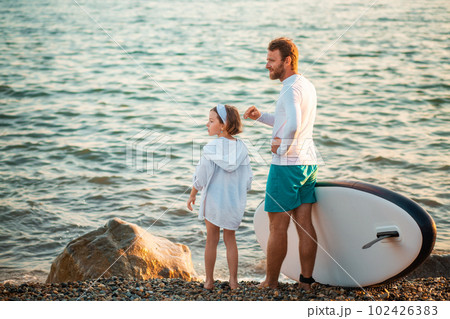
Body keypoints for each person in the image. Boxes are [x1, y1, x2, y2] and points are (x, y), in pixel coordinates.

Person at [244, 37, 319, 290]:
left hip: (287, 166)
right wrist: (261, 117)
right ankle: (306, 281)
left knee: (277, 226)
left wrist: (281, 146)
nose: (267, 65)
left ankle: (271, 282)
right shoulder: (305, 85)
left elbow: (294, 125)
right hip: (308, 163)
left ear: (287, 60)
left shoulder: (289, 87)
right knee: (305, 225)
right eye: (267, 60)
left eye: (271, 60)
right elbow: (287, 119)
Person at [187, 104, 253, 290]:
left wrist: (193, 194)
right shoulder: (242, 147)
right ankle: (233, 281)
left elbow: (201, 175)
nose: (206, 124)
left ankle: (209, 281)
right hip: (233, 201)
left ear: (224, 125)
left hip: (215, 200)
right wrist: (240, 191)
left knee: (211, 240)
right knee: (230, 239)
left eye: (211, 121)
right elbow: (248, 178)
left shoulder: (211, 147)